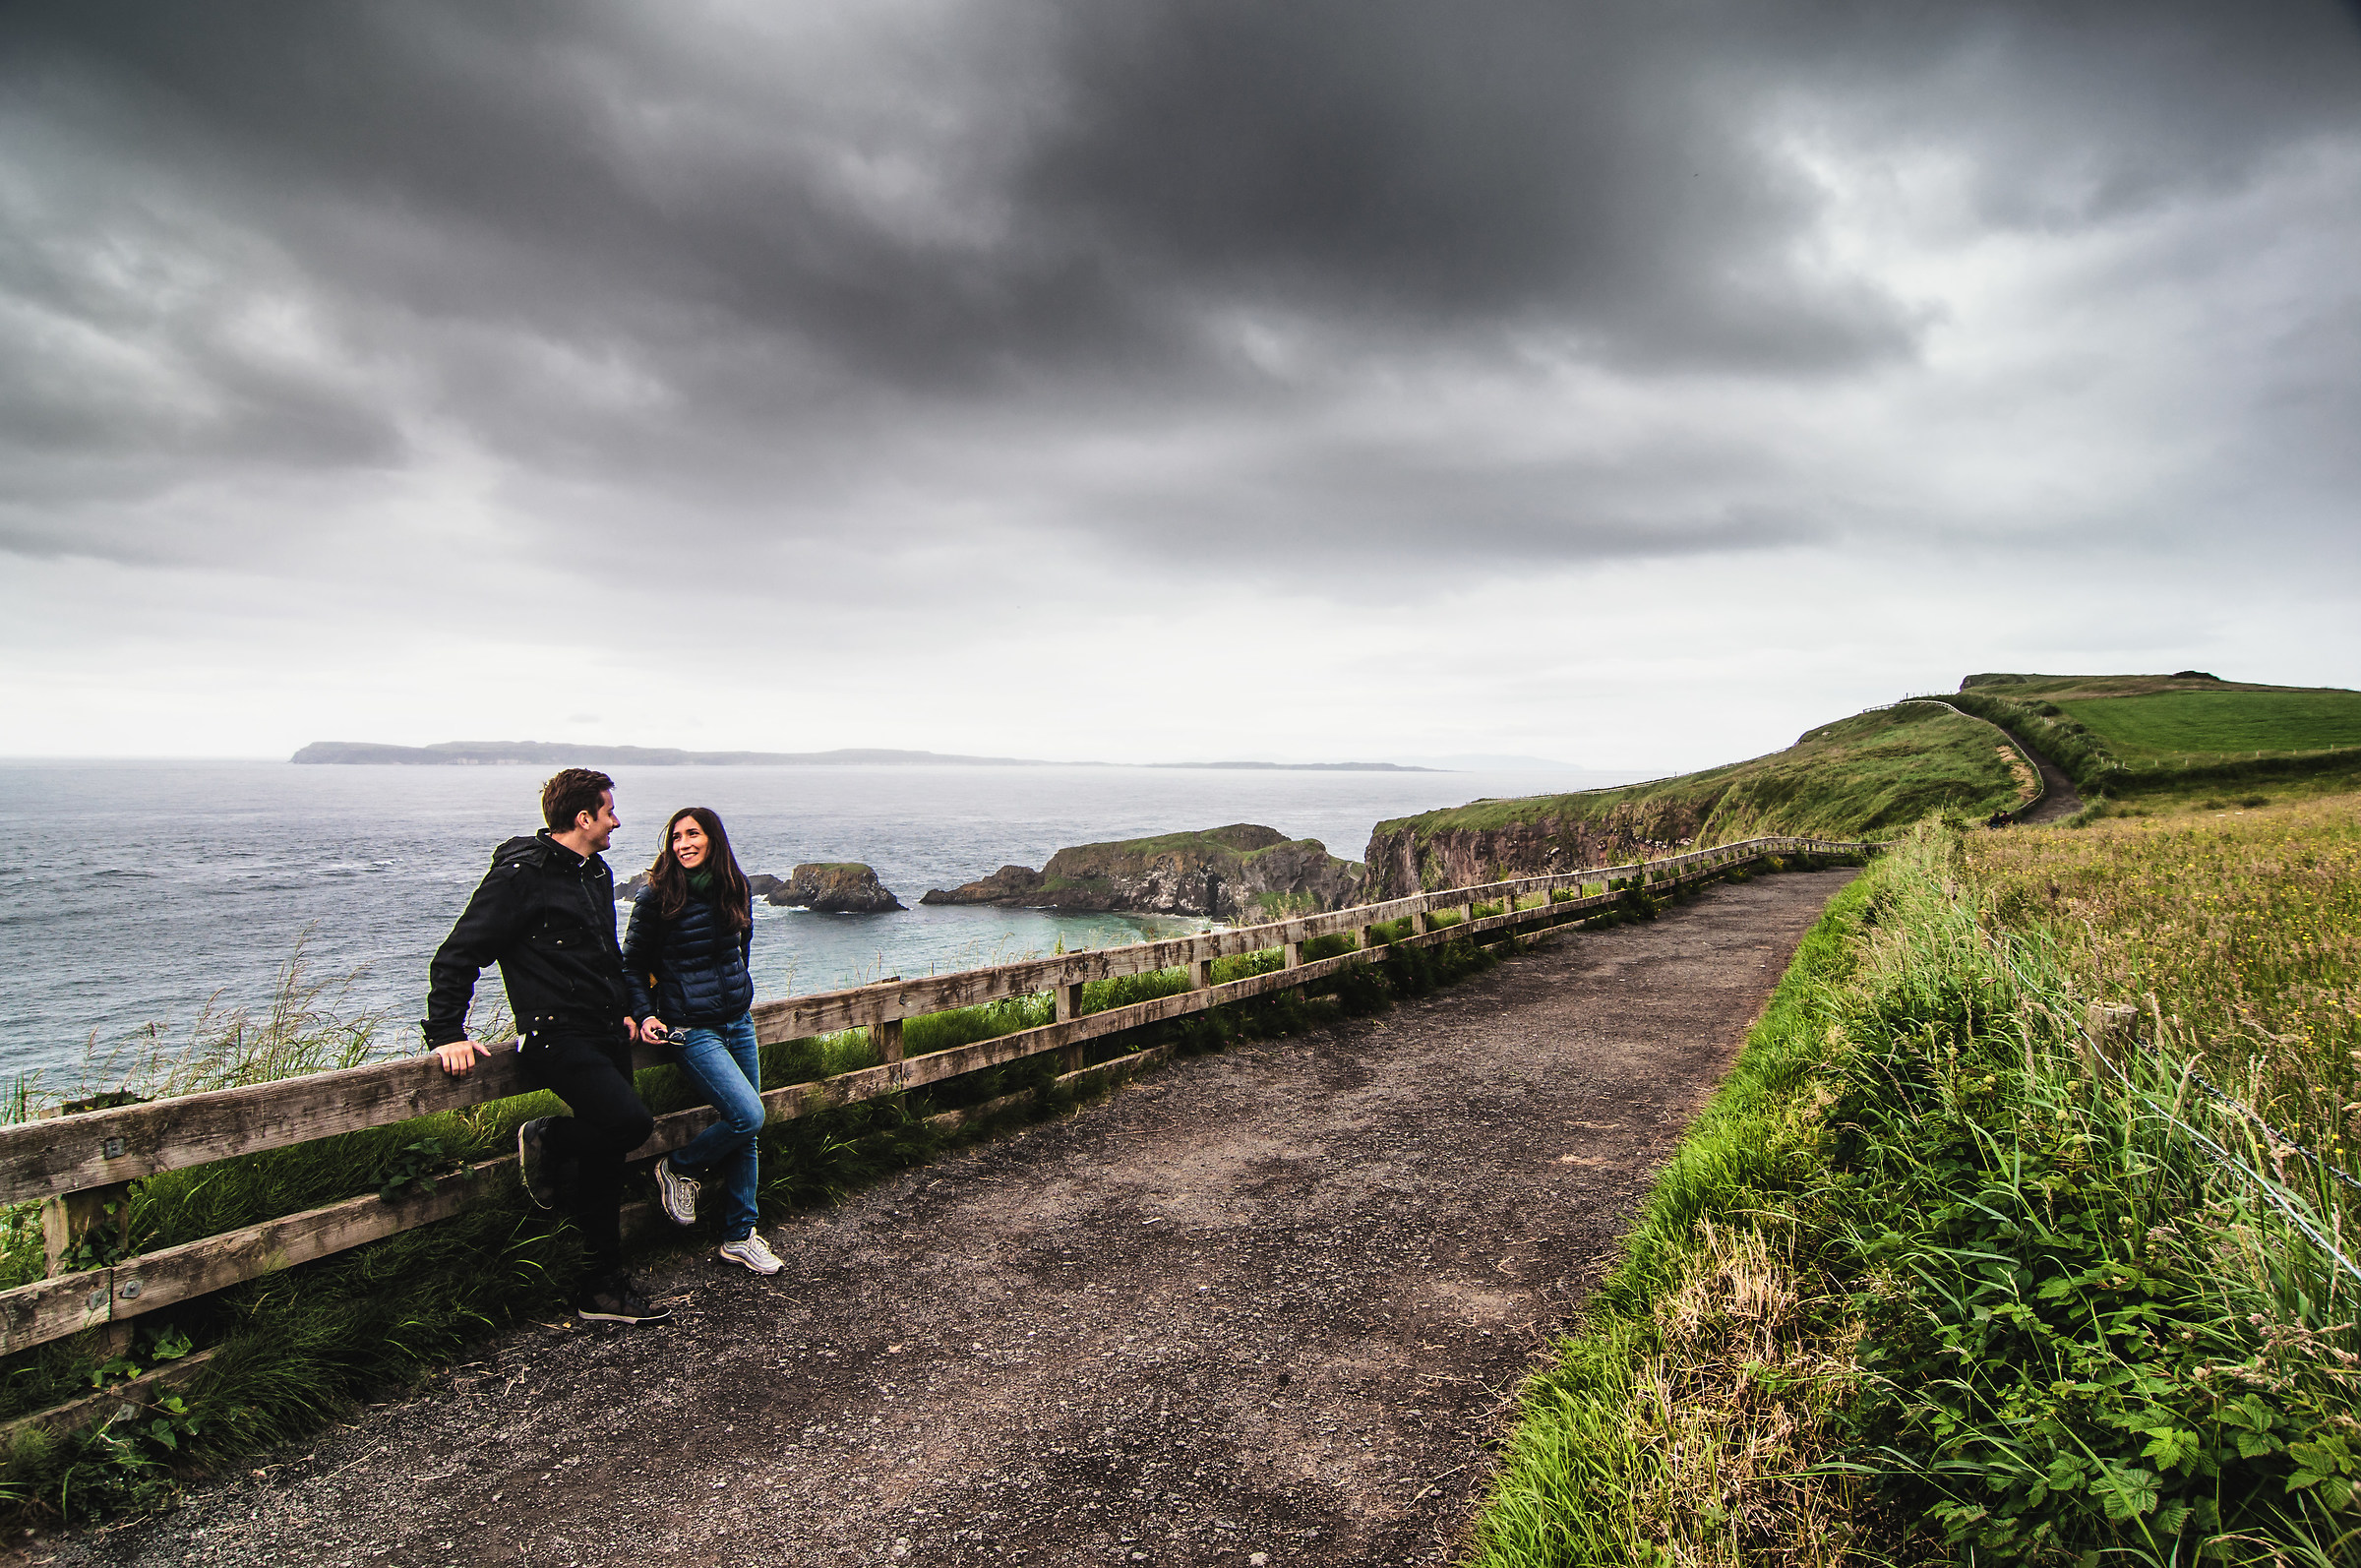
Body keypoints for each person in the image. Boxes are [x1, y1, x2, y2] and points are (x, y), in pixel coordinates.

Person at [422, 767, 671, 1326]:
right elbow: (459, 954)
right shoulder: (520, 876)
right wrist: (447, 1034)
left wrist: (630, 1008)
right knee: (630, 1123)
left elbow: (606, 954)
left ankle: (599, 1287)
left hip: (608, 1031)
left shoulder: (596, 872)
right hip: (555, 1035)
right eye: (609, 811)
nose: (617, 820)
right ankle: (547, 1136)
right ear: (583, 818)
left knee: (608, 1157)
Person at [623, 807, 783, 1275]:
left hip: (738, 1020)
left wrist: (740, 992)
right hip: (690, 1028)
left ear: (713, 839)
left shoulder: (737, 887)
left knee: (747, 1132)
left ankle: (739, 1236)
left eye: (693, 834)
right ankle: (678, 1168)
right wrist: (644, 1013)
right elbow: (631, 964)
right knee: (749, 1114)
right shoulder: (657, 896)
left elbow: (741, 950)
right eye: (675, 837)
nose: (683, 844)